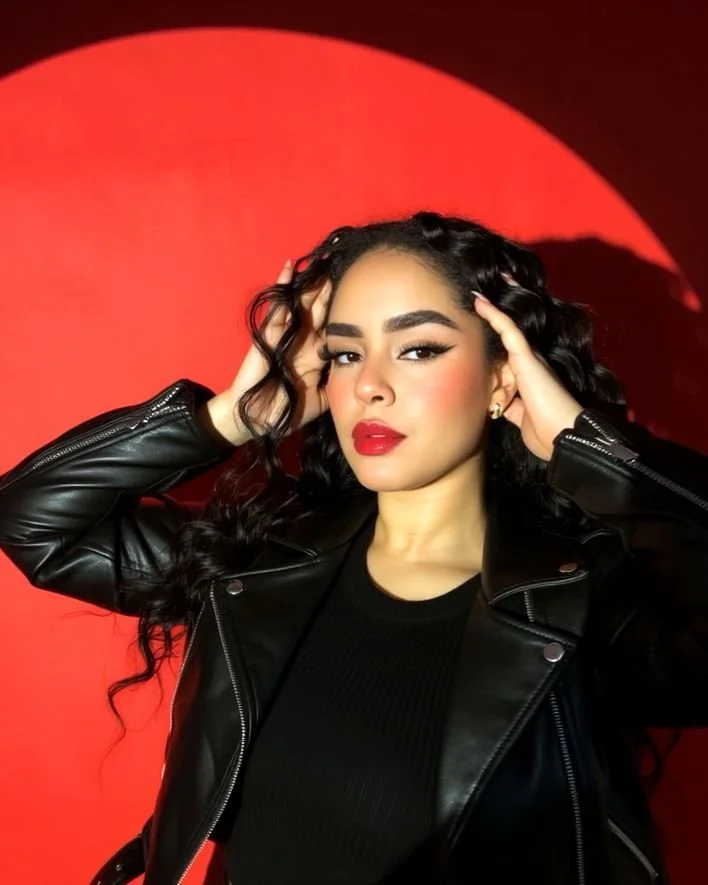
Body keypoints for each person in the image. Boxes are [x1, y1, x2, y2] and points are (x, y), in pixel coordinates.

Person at [1, 212, 706, 885]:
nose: (368, 385)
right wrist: (229, 418)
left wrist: (585, 448)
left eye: (418, 348)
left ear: (501, 375)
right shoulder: (261, 568)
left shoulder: (576, 606)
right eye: (344, 352)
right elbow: (34, 521)